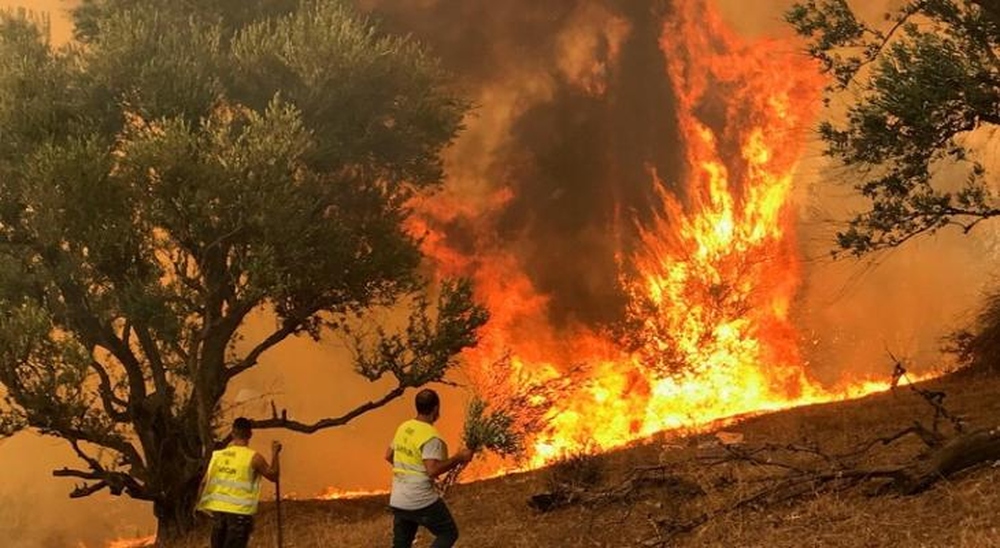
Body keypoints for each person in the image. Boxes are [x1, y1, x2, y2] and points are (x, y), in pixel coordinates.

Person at [386, 389, 474, 548]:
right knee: (448, 533)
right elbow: (432, 470)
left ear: (417, 407)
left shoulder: (404, 427)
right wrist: (459, 458)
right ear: (435, 408)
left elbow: (388, 455)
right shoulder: (431, 436)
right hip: (420, 499)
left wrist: (408, 471)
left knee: (401, 545)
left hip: (399, 498)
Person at [197, 417, 281, 548]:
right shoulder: (253, 458)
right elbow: (273, 475)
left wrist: (199, 507)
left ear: (232, 433)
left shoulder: (217, 456)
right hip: (239, 516)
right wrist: (275, 453)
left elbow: (203, 483)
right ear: (250, 434)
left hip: (218, 515)